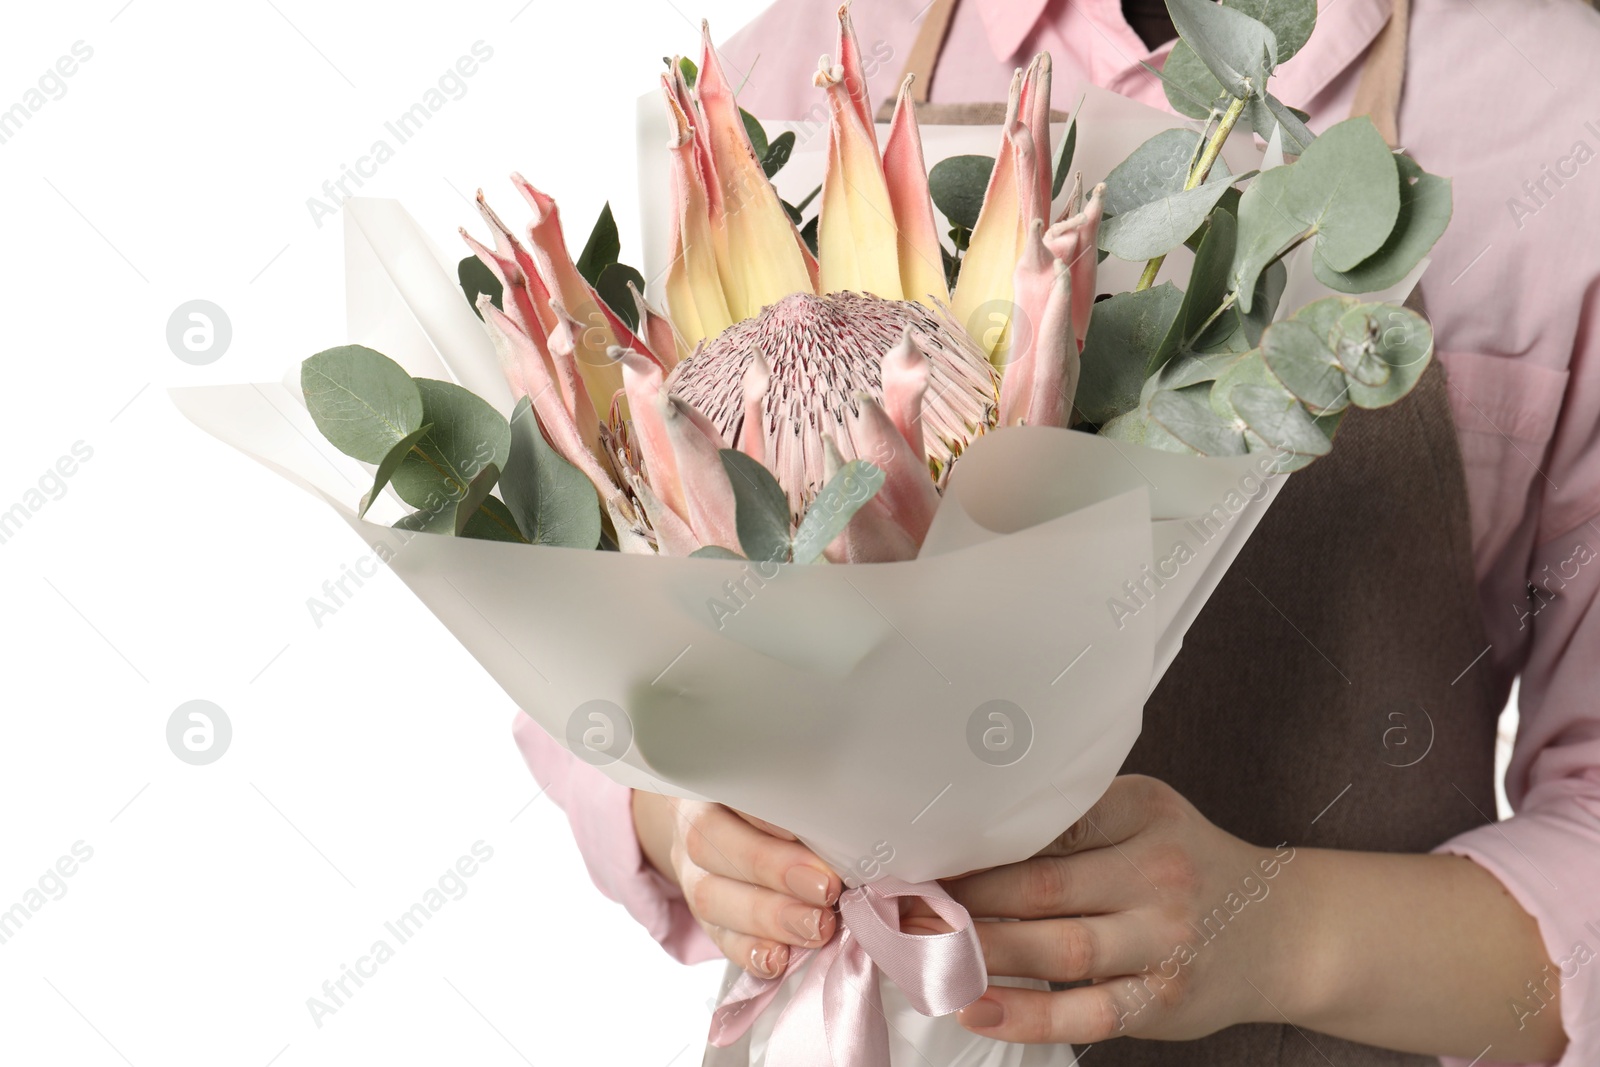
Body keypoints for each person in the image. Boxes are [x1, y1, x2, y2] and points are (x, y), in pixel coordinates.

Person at [514, 0, 1600, 1063]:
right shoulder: (790, 65)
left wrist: (1274, 934)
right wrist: (685, 823)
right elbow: (599, 603)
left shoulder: (1558, 122)